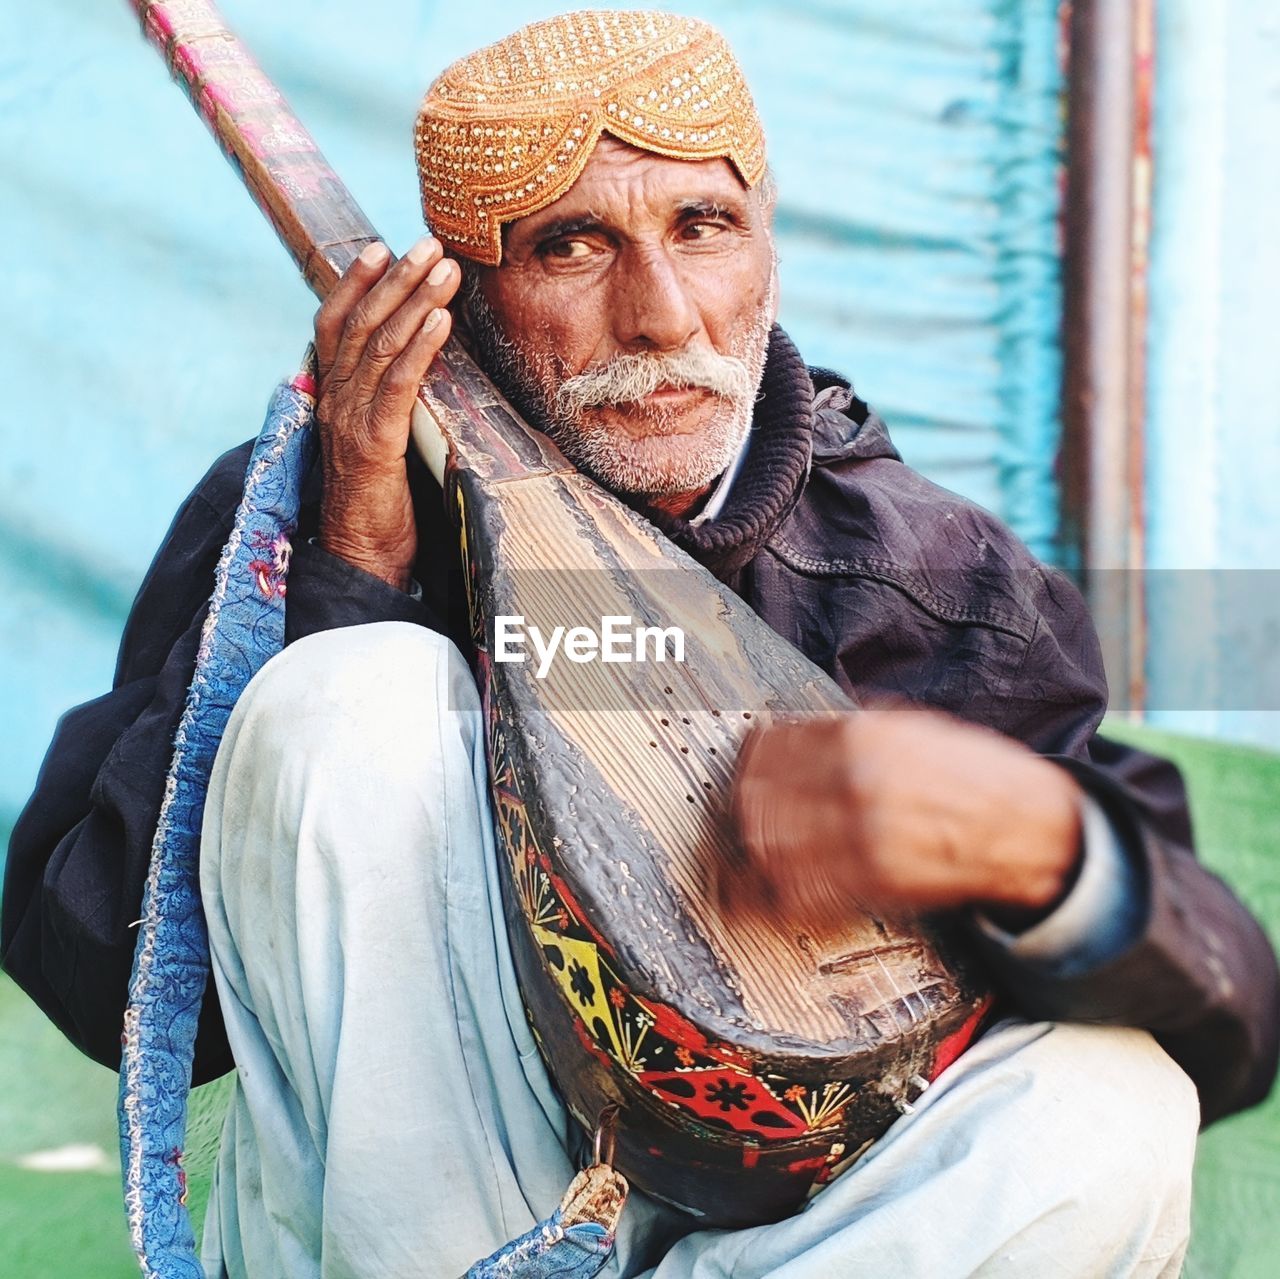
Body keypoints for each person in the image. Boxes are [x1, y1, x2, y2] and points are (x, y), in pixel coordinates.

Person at [3, 9, 1277, 1276]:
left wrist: (1039, 851)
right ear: (463, 293)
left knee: (1115, 1103)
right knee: (347, 691)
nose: (661, 314)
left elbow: (1228, 1016)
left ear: (765, 245)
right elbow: (106, 984)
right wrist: (353, 568)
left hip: (800, 1230)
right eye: (572, 245)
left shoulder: (931, 581)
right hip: (417, 1214)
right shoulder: (316, 494)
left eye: (701, 228)